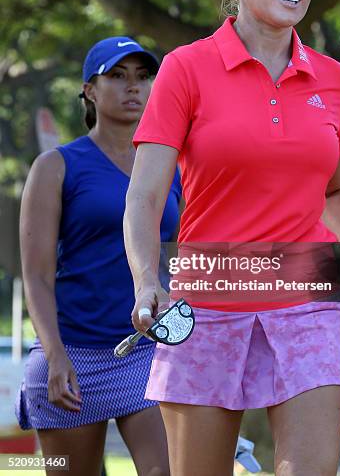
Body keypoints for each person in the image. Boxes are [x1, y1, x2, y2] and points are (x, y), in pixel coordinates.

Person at [124, 0, 340, 476]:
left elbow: (332, 192)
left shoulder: (337, 81)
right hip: (205, 301)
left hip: (307, 300)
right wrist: (148, 282)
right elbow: (146, 197)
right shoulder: (185, 69)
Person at [16, 36, 181, 476]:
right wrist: (54, 356)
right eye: (118, 76)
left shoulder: (174, 167)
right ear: (90, 89)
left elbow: (183, 255)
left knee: (166, 471)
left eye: (144, 77)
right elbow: (36, 276)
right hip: (74, 352)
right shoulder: (56, 166)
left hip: (147, 349)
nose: (134, 87)